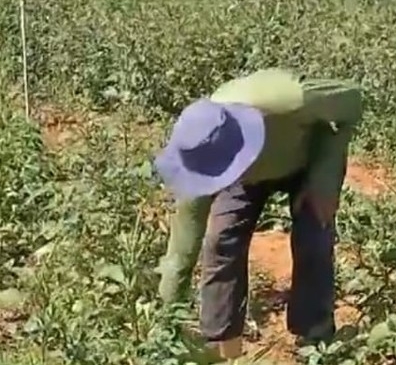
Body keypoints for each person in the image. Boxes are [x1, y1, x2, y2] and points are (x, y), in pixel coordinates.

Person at [152, 68, 364, 361]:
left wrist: (323, 177)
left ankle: (316, 342)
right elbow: (180, 254)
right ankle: (224, 347)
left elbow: (353, 100)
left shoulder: (284, 101)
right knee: (221, 240)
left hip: (307, 160)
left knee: (314, 236)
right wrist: (165, 327)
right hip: (249, 175)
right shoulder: (200, 160)